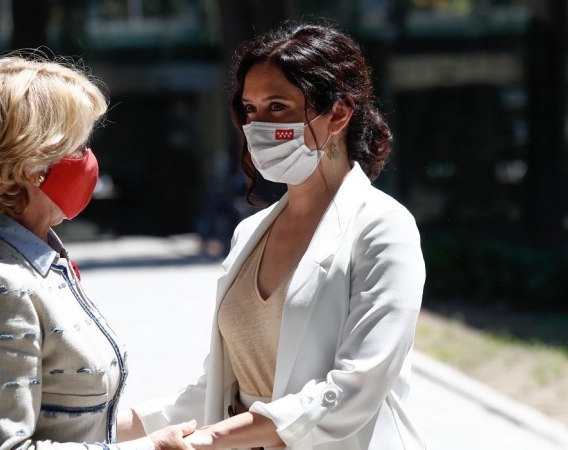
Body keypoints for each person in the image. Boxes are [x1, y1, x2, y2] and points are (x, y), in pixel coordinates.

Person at [117, 23, 427, 449]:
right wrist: (110, 425)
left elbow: (354, 390)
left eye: (277, 107)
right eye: (249, 109)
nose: (257, 126)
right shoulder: (249, 233)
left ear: (338, 114)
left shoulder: (383, 229)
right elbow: (219, 390)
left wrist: (210, 439)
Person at [0, 55, 195, 450]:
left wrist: (188, 411)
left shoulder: (30, 257)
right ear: (31, 164)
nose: (87, 158)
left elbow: (71, 421)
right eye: (77, 145)